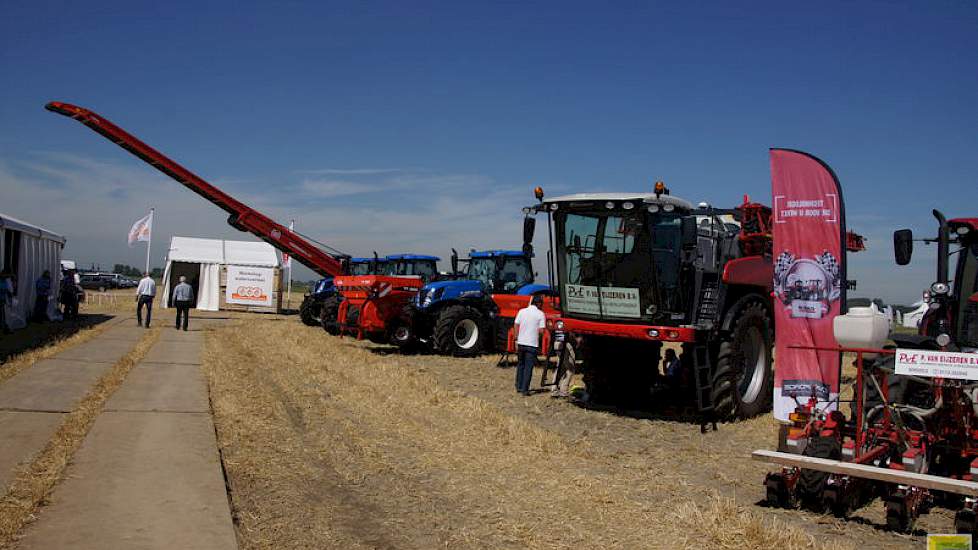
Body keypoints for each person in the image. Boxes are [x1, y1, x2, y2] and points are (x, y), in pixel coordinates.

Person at [513, 294, 547, 396]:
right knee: (528, 367)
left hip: (521, 342)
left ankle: (518, 386)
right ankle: (525, 389)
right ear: (539, 303)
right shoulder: (541, 314)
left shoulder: (522, 311)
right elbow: (541, 330)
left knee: (520, 365)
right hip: (532, 343)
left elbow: (516, 324)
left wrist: (516, 337)